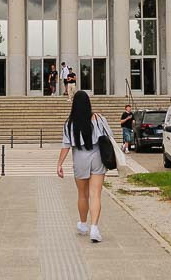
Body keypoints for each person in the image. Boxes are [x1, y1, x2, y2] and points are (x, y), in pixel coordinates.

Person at [57, 90, 111, 243]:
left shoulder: (69, 123)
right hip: (98, 156)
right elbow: (109, 136)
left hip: (79, 157)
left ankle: (82, 224)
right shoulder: (99, 119)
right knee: (95, 194)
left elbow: (66, 145)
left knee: (82, 194)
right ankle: (94, 227)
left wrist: (59, 164)